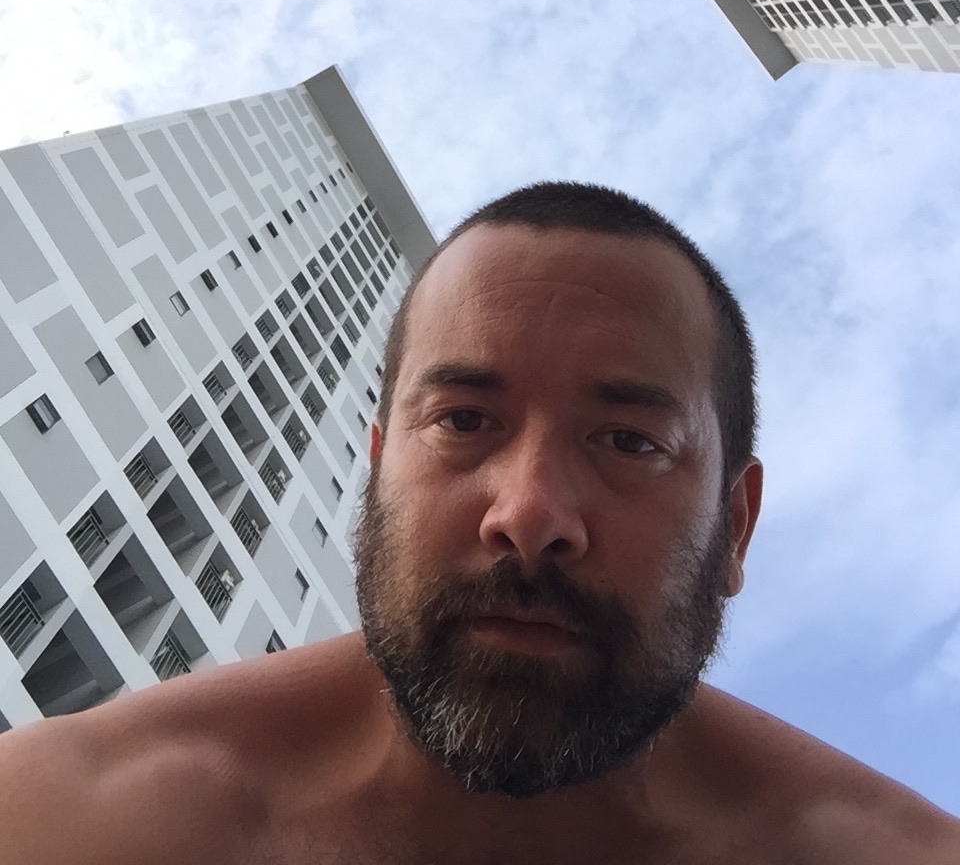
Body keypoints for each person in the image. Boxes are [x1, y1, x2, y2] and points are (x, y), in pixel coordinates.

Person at [1, 181, 957, 864]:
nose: (530, 515)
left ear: (735, 527)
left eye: (629, 441)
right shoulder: (74, 819)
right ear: (377, 473)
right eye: (463, 421)